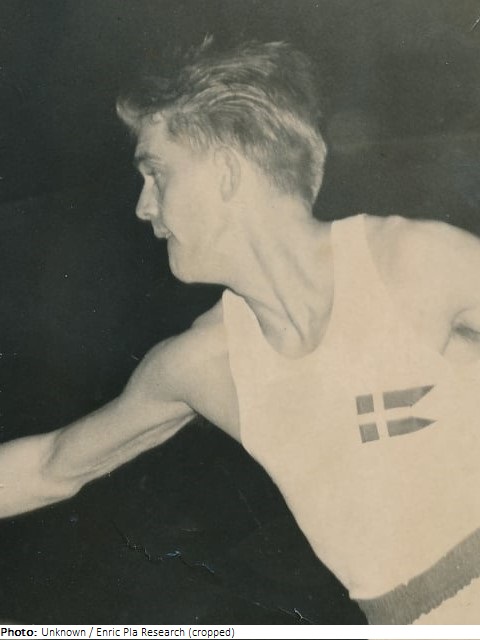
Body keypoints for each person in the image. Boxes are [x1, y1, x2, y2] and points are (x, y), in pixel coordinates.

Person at [1, 38, 480, 625]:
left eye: (155, 173)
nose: (143, 207)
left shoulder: (415, 264)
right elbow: (50, 465)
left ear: (226, 172)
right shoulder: (202, 365)